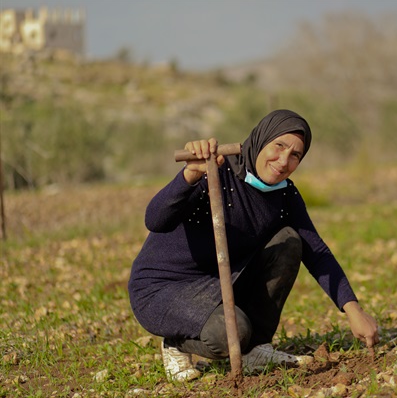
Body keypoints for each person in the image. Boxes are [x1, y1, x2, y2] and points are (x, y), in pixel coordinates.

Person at [128, 109, 379, 382]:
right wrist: (189, 175)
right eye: (279, 146)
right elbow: (155, 219)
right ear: (261, 140)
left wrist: (353, 310)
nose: (283, 161)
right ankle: (176, 342)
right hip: (163, 288)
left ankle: (256, 349)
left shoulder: (284, 195)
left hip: (223, 282)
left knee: (289, 240)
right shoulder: (215, 171)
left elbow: (316, 252)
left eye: (295, 155)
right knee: (230, 335)